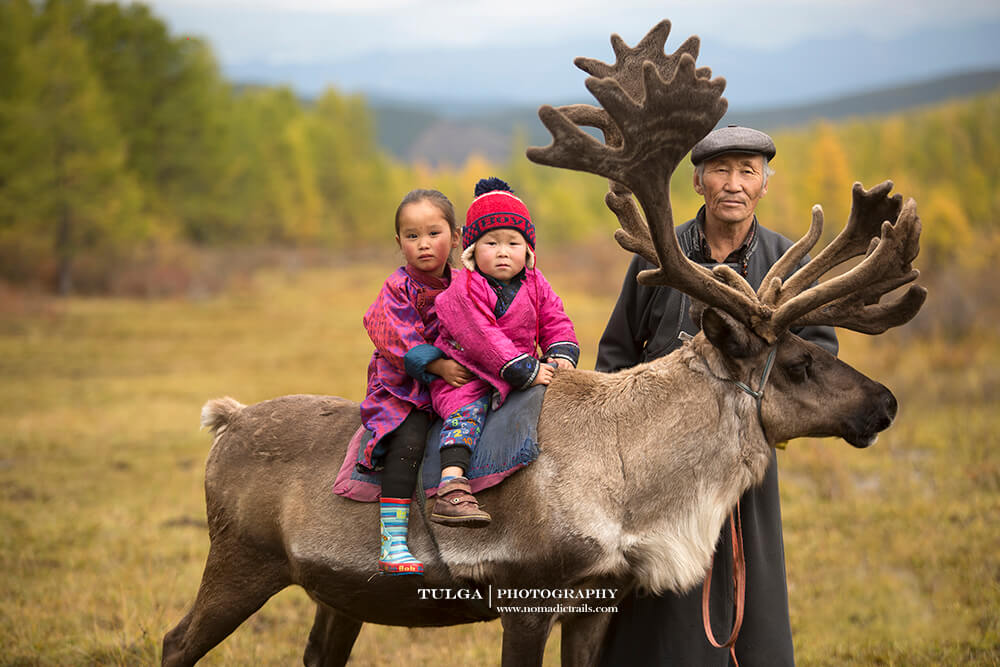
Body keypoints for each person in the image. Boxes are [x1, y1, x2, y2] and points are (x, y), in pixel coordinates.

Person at [596, 126, 838, 666]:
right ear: (698, 181)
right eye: (721, 170)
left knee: (751, 581)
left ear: (764, 185)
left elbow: (819, 361)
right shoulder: (657, 256)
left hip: (745, 459)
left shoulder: (787, 263)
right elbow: (613, 355)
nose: (734, 183)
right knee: (656, 605)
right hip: (661, 468)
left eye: (748, 171)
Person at [427, 177, 580, 526]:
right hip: (470, 374)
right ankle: (452, 483)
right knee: (466, 414)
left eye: (513, 242)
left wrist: (560, 355)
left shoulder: (535, 282)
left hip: (519, 371)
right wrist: (525, 369)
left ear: (527, 250)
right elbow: (481, 338)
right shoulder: (461, 289)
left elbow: (555, 318)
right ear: (470, 251)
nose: (502, 251)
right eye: (490, 242)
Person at [360, 188, 474, 575]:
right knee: (409, 439)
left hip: (457, 379)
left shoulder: (466, 282)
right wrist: (438, 366)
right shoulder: (397, 288)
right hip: (404, 386)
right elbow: (397, 337)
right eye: (412, 236)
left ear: (456, 236)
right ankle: (393, 541)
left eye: (433, 233)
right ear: (399, 242)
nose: (423, 245)